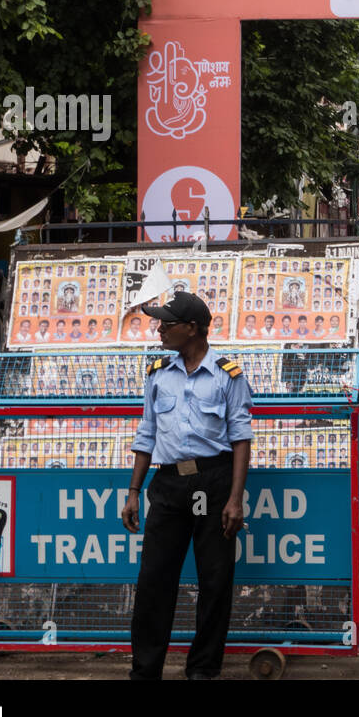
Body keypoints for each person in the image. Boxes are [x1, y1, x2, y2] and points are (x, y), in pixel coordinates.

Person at [122, 291, 253, 680]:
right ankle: (145, 671)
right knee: (153, 582)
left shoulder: (228, 375)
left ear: (192, 329)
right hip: (169, 484)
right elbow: (147, 434)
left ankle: (203, 669)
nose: (159, 329)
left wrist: (234, 499)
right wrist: (133, 491)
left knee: (215, 581)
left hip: (213, 483)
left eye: (167, 323)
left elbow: (241, 439)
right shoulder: (159, 373)